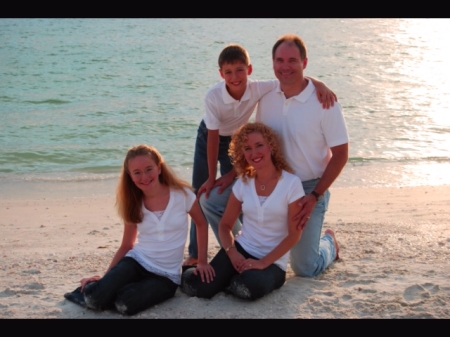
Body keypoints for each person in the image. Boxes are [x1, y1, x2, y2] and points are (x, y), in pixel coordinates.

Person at [200, 34, 348, 278]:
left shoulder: (325, 102)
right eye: (280, 60)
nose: (285, 66)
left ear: (305, 62)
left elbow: (341, 155)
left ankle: (329, 241)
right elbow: (253, 144)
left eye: (292, 60)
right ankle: (243, 244)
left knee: (305, 268)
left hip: (307, 187)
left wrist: (315, 195)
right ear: (272, 64)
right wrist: (232, 174)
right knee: (210, 201)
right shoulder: (266, 94)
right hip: (264, 181)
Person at [64, 145, 214, 315]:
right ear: (130, 175)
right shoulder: (133, 202)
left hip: (166, 276)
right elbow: (127, 245)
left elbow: (201, 223)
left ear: (159, 167)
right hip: (137, 262)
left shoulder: (183, 194)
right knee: (94, 299)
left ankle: (115, 288)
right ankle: (98, 286)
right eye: (137, 172)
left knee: (125, 304)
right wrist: (107, 277)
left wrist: (202, 261)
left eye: (149, 169)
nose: (144, 177)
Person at [182, 123, 304, 301]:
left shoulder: (291, 184)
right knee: (201, 288)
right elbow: (224, 225)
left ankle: (231, 280)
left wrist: (262, 263)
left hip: (272, 262)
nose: (254, 153)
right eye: (247, 148)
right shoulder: (243, 183)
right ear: (242, 154)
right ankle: (185, 272)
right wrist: (232, 253)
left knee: (247, 288)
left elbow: (294, 235)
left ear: (271, 146)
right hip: (242, 248)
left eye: (259, 145)